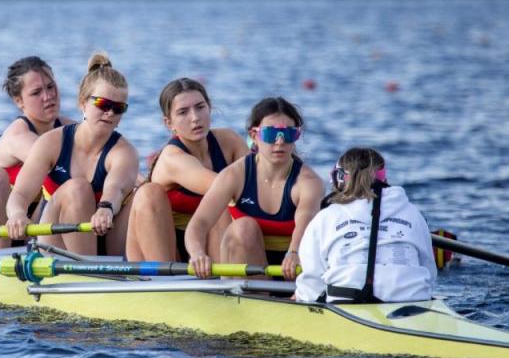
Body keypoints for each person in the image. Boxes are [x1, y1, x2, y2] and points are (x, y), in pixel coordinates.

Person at [5, 52, 139, 256]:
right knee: (78, 188)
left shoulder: (125, 152)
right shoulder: (52, 142)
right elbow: (20, 194)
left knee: (148, 194)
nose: (110, 113)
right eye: (102, 104)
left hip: (108, 236)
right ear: (83, 103)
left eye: (118, 108)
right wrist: (17, 214)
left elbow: (115, 189)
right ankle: (87, 272)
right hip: (56, 241)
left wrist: (106, 208)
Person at [185, 96, 324, 280]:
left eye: (288, 134)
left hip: (292, 274)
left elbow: (304, 226)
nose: (280, 142)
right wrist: (197, 254)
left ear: (296, 136)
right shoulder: (234, 175)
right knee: (243, 227)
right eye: (270, 134)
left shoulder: (309, 182)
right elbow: (198, 224)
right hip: (244, 274)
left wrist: (294, 252)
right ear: (254, 135)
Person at [126, 78, 249, 262]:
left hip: (206, 247)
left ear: (210, 108)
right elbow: (232, 187)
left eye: (200, 107)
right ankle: (163, 282)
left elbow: (258, 181)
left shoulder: (229, 141)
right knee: (150, 193)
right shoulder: (172, 158)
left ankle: (221, 281)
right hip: (161, 250)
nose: (195, 117)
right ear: (169, 123)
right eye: (183, 112)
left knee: (221, 202)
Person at [294, 147, 436, 303]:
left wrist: (301, 298)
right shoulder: (412, 213)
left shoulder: (325, 217)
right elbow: (429, 269)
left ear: (339, 179)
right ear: (384, 178)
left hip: (347, 302)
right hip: (412, 299)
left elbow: (312, 279)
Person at [0, 56, 73, 249]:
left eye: (50, 87)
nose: (48, 96)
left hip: (31, 225)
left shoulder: (68, 127)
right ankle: (2, 261)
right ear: (19, 101)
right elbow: (65, 165)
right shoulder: (18, 135)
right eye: (36, 92)